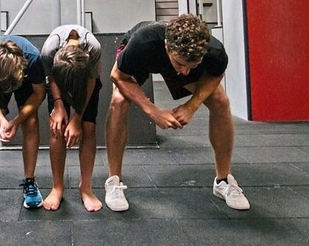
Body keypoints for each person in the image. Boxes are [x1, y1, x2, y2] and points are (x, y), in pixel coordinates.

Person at [105, 14, 250, 212]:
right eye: (180, 64)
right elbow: (117, 75)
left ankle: (223, 181)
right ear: (167, 46)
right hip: (145, 59)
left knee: (220, 101)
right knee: (119, 101)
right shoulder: (143, 42)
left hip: (177, 57)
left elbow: (216, 74)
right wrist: (153, 111)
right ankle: (114, 182)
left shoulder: (213, 51)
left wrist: (191, 106)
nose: (184, 72)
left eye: (192, 66)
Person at [0, 35, 47, 210]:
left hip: (25, 81)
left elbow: (39, 93)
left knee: (31, 121)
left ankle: (30, 182)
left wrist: (17, 121)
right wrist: (3, 120)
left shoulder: (33, 59)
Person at [40, 25, 103, 212]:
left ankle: (86, 188)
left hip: (86, 81)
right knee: (57, 127)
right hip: (57, 80)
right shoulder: (49, 50)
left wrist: (77, 118)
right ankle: (57, 187)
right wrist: (59, 106)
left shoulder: (93, 49)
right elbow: (50, 77)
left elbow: (91, 80)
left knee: (88, 128)